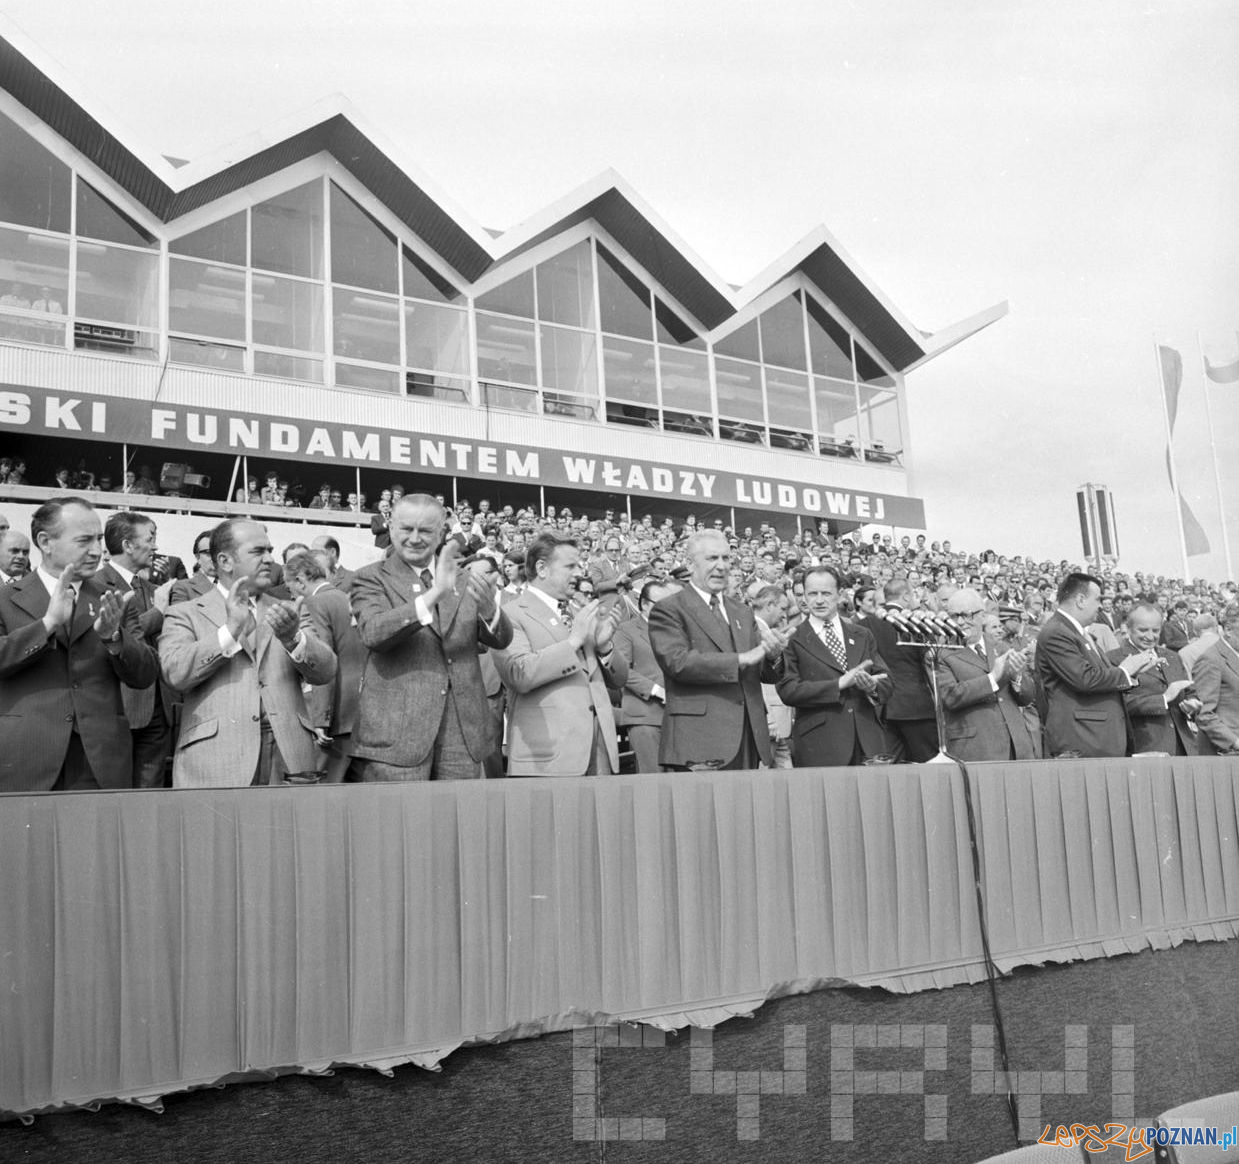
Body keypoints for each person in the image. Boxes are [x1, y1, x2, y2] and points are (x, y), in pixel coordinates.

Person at [159, 519, 337, 787]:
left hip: (289, 759)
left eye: (270, 550)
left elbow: (326, 670)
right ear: (225, 561)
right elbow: (175, 673)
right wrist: (230, 631)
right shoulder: (186, 612)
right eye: (258, 551)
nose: (270, 559)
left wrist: (294, 639)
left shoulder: (290, 610)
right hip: (216, 761)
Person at [350, 494, 512, 781]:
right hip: (396, 736)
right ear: (390, 527)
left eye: (425, 530)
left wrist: (489, 611)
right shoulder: (371, 577)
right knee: (401, 823)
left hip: (461, 734)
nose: (415, 538)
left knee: (460, 821)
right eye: (406, 529)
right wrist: (435, 593)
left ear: (441, 533)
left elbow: (500, 640)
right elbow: (374, 632)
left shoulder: (463, 579)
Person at [0, 497, 157, 791]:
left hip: (100, 761)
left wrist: (114, 638)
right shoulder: (5, 599)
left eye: (99, 539)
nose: (97, 550)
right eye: (85, 540)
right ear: (46, 542)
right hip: (26, 757)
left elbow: (145, 674)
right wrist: (47, 624)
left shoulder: (115, 598)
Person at [648, 529, 788, 770]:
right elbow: (678, 662)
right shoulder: (669, 609)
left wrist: (773, 655)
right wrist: (740, 659)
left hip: (748, 736)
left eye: (726, 558)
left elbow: (763, 670)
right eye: (712, 558)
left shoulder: (742, 611)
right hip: (700, 740)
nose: (722, 566)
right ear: (691, 565)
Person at [494, 531, 628, 776]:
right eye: (570, 566)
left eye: (579, 565)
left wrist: (604, 648)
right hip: (547, 758)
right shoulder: (510, 614)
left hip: (599, 753)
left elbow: (619, 680)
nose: (579, 572)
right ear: (542, 568)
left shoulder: (580, 611)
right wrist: (573, 642)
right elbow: (518, 674)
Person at [777, 564, 891, 767]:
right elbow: (788, 690)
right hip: (821, 745)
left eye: (826, 593)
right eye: (812, 594)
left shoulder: (862, 634)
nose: (819, 600)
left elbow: (886, 681)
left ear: (839, 594)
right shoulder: (792, 638)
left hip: (868, 742)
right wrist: (838, 684)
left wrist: (872, 687)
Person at [1034, 572, 1155, 758]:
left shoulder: (1076, 631)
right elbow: (1084, 678)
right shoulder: (1057, 632)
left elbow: (1098, 675)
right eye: (1097, 599)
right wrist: (1124, 670)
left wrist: (1131, 674)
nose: (1100, 606)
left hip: (1099, 739)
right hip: (1084, 739)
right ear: (1081, 600)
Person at [99, 512, 173, 787]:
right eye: (150, 538)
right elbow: (112, 632)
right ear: (128, 545)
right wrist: (159, 612)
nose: (155, 546)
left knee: (149, 795)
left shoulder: (153, 588)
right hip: (120, 705)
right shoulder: (97, 583)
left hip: (158, 704)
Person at [284, 550, 366, 782]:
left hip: (336, 716)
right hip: (360, 710)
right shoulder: (346, 598)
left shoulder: (314, 603)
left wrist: (320, 719)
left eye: (288, 585)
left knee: (323, 796)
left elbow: (322, 663)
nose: (289, 592)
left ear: (300, 581)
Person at [934, 591, 1036, 761]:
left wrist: (1016, 676)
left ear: (982, 615)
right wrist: (993, 677)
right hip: (977, 748)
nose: (960, 622)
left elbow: (1027, 698)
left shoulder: (1000, 646)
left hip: (1016, 745)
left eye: (966, 615)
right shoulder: (940, 653)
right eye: (954, 616)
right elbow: (950, 696)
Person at [1111, 602, 1203, 756]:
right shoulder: (1114, 659)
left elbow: (1189, 692)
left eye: (1155, 630)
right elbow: (1119, 704)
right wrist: (1164, 699)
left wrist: (1192, 704)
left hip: (1185, 748)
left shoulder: (1173, 657)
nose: (1150, 636)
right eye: (1143, 630)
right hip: (1145, 748)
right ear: (1128, 628)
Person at [866, 578, 938, 761]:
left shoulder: (867, 623)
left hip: (882, 706)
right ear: (906, 596)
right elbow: (929, 656)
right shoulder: (913, 622)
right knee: (928, 764)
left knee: (894, 768)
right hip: (915, 705)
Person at [611, 577, 678, 774]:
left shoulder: (677, 631)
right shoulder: (626, 630)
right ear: (645, 605)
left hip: (676, 716)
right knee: (652, 780)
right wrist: (656, 690)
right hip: (644, 716)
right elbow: (622, 671)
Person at [1192, 603, 1239, 755]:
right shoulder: (1210, 659)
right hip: (1226, 753)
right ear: (1228, 630)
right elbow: (1203, 714)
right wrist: (1235, 741)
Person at [169, 529, 218, 605]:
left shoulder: (236, 587)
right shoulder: (184, 588)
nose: (214, 557)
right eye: (209, 553)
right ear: (198, 557)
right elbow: (179, 615)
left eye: (218, 552)